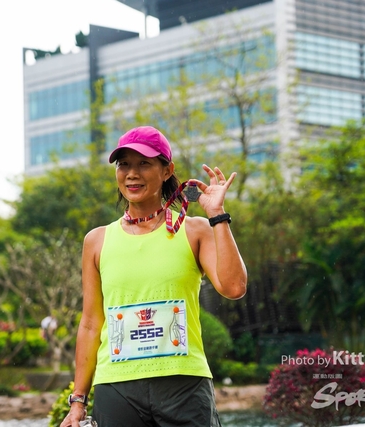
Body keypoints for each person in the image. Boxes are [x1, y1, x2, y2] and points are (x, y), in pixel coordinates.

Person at [60, 126, 247, 427]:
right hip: (117, 387)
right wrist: (78, 401)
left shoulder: (194, 230)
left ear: (166, 170)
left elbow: (234, 287)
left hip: (184, 385)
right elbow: (91, 323)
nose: (132, 174)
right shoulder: (96, 240)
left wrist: (217, 215)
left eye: (144, 163)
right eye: (124, 164)